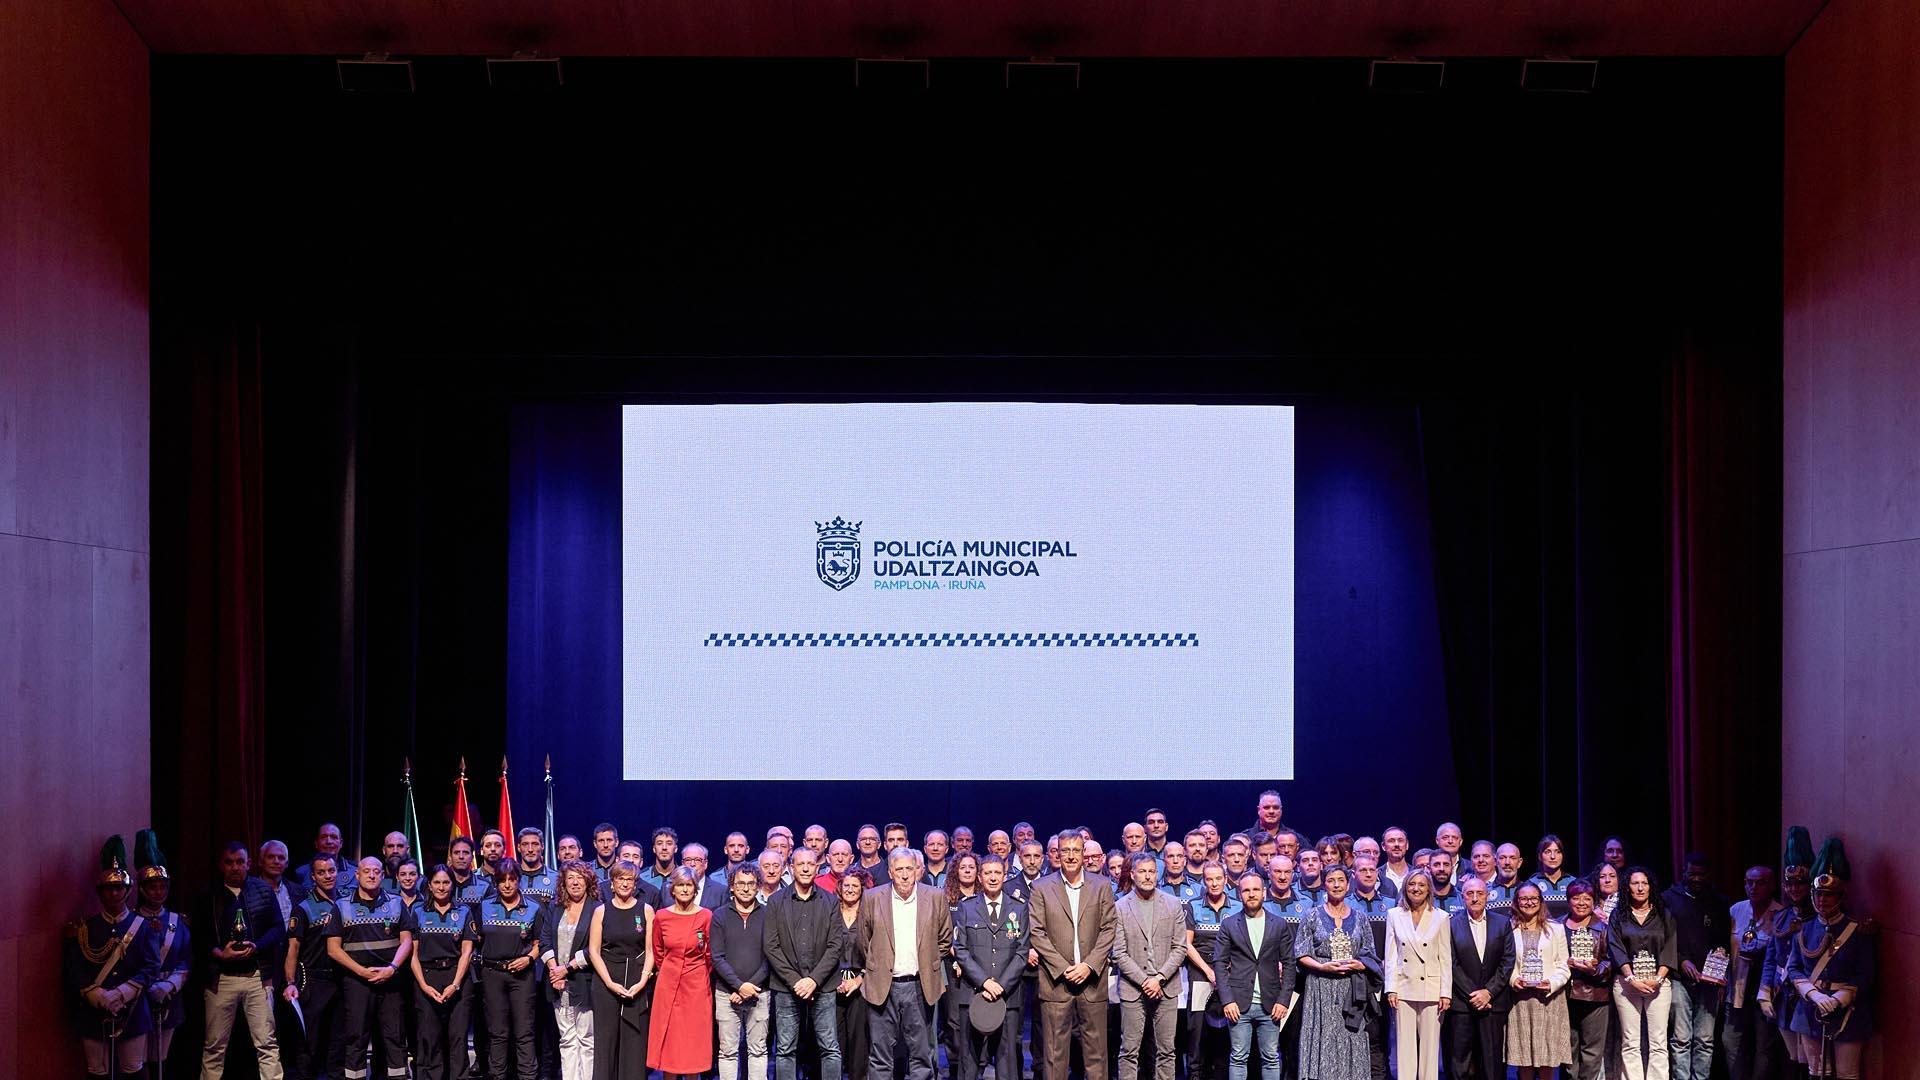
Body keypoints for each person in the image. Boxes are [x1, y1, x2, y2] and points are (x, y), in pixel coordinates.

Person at [1028, 831, 1118, 1080]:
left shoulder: (1101, 886)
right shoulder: (1041, 887)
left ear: (1083, 853)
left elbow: (1109, 928)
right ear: (1056, 853)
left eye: (1075, 850)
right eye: (1064, 850)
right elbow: (1037, 932)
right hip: (1056, 983)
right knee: (1055, 1057)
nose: (1070, 855)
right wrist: (1063, 968)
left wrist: (1089, 966)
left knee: (1097, 1056)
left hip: (1093, 982)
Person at [859, 846, 954, 1080]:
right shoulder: (872, 897)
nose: (904, 874)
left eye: (909, 869)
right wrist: (879, 965)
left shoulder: (934, 896)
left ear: (918, 871)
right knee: (880, 1054)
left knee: (921, 1054)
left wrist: (927, 960)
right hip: (883, 985)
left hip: (919, 986)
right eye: (898, 869)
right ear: (890, 872)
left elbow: (945, 938)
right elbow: (864, 941)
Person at [67, 835, 155, 1080]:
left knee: (133, 1070)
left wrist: (122, 992)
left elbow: (151, 967)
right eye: (109, 888)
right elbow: (75, 970)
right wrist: (97, 995)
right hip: (94, 1012)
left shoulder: (143, 927)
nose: (114, 893)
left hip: (134, 1010)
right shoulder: (85, 929)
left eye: (119, 888)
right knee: (97, 1073)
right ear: (100, 893)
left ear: (128, 891)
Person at [198, 840, 287, 1080]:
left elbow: (279, 929)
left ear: (248, 863)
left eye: (240, 862)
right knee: (214, 1046)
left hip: (256, 977)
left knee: (267, 1043)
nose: (235, 867)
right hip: (221, 979)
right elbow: (198, 937)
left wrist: (257, 947)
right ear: (221, 865)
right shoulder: (208, 894)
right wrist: (219, 953)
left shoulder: (262, 890)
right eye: (229, 862)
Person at [1784, 839, 1873, 1080]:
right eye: (1818, 894)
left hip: (1848, 1010)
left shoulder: (1856, 930)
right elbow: (1794, 969)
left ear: (1841, 897)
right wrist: (1815, 995)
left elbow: (1865, 973)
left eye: (1829, 895)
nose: (1822, 900)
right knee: (1817, 1072)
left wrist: (1840, 998)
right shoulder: (1804, 929)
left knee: (1847, 1073)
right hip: (1811, 1007)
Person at [328, 855, 415, 1080]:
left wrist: (393, 968)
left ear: (383, 875)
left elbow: (406, 941)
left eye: (376, 871)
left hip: (391, 979)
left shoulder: (396, 903)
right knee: (356, 1037)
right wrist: (361, 971)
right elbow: (333, 949)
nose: (372, 875)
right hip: (356, 981)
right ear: (357, 875)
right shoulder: (341, 905)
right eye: (366, 871)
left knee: (394, 1036)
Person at [766, 847, 847, 1080]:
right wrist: (796, 982)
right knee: (784, 1050)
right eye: (799, 864)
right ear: (791, 868)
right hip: (785, 987)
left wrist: (813, 980)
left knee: (830, 1048)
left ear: (817, 867)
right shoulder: (775, 901)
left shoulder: (831, 901)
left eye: (810, 864)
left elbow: (835, 945)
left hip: (822, 986)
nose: (804, 868)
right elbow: (771, 946)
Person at [1294, 865, 1378, 1080]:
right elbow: (1301, 953)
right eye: (1331, 880)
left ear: (1348, 885)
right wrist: (1322, 967)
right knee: (1324, 1037)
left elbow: (1371, 955)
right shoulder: (1311, 916)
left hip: (1351, 988)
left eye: (1341, 880)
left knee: (1352, 1035)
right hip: (1320, 986)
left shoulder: (1360, 918)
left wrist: (1361, 965)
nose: (1337, 885)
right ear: (1325, 885)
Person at [952, 853, 1029, 1080]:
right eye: (988, 873)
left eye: (997, 873)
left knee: (1006, 1060)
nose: (993, 878)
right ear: (980, 876)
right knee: (969, 1060)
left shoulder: (1019, 907)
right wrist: (984, 982)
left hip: (1008, 995)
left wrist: (1001, 985)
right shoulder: (967, 907)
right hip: (974, 992)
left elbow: (1022, 952)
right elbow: (961, 950)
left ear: (1005, 876)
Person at [1212, 871, 1294, 1080]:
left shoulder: (1279, 924)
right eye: (1246, 890)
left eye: (1255, 889)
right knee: (1238, 1057)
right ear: (1239, 894)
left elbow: (1289, 964)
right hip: (1238, 1004)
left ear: (1264, 893)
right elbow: (1219, 963)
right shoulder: (1229, 924)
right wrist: (1227, 1000)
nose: (1251, 894)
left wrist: (1284, 1000)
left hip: (1271, 1003)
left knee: (1271, 1057)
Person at [1114, 853, 1187, 1080]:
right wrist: (1146, 981)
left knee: (1167, 1050)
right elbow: (1118, 952)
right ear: (1133, 875)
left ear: (1158, 874)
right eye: (1143, 871)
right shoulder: (1120, 907)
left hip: (1166, 987)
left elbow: (1180, 948)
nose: (1148, 876)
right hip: (1133, 989)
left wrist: (1159, 978)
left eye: (1152, 871)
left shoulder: (1173, 904)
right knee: (1129, 1051)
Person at [474, 860, 544, 1080]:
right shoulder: (484, 906)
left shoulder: (533, 907)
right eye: (502, 880)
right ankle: (497, 1076)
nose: (506, 885)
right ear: (496, 882)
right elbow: (475, 940)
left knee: (524, 1032)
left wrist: (528, 959)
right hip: (492, 975)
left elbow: (540, 943)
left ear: (518, 880)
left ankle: (527, 1077)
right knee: (497, 1033)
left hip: (522, 976)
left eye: (511, 879)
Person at [1663, 853, 1728, 1080]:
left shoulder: (1719, 902)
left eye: (1701, 874)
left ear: (1708, 875)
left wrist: (1719, 963)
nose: (1697, 879)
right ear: (1684, 872)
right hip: (1679, 979)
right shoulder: (1669, 899)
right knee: (1681, 1038)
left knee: (1705, 1039)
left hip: (1709, 982)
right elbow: (1664, 938)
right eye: (1692, 874)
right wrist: (1681, 960)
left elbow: (1723, 941)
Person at [1758, 828, 1816, 1080]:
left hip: (1809, 997)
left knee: (1810, 1060)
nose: (1794, 888)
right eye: (1789, 883)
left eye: (1800, 883)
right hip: (1783, 995)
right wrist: (1764, 992)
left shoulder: (1818, 918)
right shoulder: (1781, 916)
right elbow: (1771, 958)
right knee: (1791, 1058)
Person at [589, 858, 655, 1080]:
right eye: (620, 879)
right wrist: (609, 983)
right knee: (606, 1042)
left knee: (634, 1042)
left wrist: (642, 981)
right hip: (607, 981)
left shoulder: (646, 910)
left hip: (636, 980)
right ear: (612, 883)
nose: (625, 884)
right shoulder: (601, 911)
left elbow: (650, 951)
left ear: (636, 883)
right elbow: (594, 951)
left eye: (630, 879)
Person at [1608, 867, 1677, 1080]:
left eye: (1644, 883)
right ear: (1627, 887)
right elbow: (1615, 947)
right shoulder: (1618, 915)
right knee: (1631, 1042)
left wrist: (1657, 979)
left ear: (1650, 886)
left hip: (1659, 984)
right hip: (1627, 983)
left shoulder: (1663, 914)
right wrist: (1632, 979)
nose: (1640, 888)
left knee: (1658, 1042)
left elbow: (1670, 948)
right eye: (1634, 883)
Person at [131, 830, 190, 1078]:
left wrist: (170, 986)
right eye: (152, 887)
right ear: (142, 889)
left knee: (161, 1058)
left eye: (162, 886)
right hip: (137, 997)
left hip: (169, 994)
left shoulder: (179, 921)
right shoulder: (132, 922)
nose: (158, 892)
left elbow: (186, 959)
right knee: (138, 1060)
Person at [410, 864, 478, 1080]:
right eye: (437, 882)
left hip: (457, 978)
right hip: (426, 978)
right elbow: (412, 953)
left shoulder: (464, 911)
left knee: (458, 1037)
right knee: (429, 1036)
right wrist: (423, 985)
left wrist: (455, 984)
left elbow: (467, 952)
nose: (441, 887)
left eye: (446, 882)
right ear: (429, 885)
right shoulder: (418, 911)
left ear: (452, 884)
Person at [650, 866, 716, 1078]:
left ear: (695, 889)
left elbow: (710, 954)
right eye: (680, 885)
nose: (685, 889)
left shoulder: (706, 916)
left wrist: (696, 973)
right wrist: (670, 970)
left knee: (692, 1041)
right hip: (668, 985)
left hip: (696, 986)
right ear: (672, 889)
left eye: (689, 885)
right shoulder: (661, 916)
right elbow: (658, 950)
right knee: (671, 1041)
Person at [1384, 870, 1450, 1080]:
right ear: (1405, 888)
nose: (1416, 888)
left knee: (1431, 1048)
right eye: (1412, 884)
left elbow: (1445, 957)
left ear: (1429, 888)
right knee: (1405, 1048)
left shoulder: (1441, 917)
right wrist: (1391, 988)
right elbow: (1391, 954)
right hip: (1403, 987)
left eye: (1421, 885)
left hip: (1431, 988)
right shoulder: (1394, 914)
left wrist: (1445, 992)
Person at [1445, 876, 1513, 1080]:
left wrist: (1488, 992)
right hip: (1462, 1005)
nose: (1475, 898)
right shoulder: (1450, 924)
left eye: (1480, 893)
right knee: (1460, 1062)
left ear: (1488, 896)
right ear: (1462, 897)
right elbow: (1451, 962)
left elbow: (1507, 960)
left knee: (1492, 1063)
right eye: (1469, 894)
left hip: (1493, 1004)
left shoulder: (1502, 923)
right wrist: (1474, 995)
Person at [283, 853, 344, 1080]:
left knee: (338, 1041)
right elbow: (293, 950)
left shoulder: (346, 902)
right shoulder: (303, 908)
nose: (327, 876)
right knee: (311, 1043)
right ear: (313, 876)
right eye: (321, 872)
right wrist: (290, 983)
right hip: (313, 982)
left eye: (331, 871)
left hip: (341, 981)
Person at [1504, 882, 1571, 1080]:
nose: (1529, 902)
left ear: (1541, 901)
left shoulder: (1555, 929)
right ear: (1516, 902)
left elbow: (1563, 965)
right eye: (1524, 898)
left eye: (1534, 898)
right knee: (1524, 1056)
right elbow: (1503, 962)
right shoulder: (1507, 928)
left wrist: (1551, 983)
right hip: (1520, 1001)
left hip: (1548, 1000)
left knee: (1547, 1057)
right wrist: (1514, 979)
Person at [713, 866, 773, 1080]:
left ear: (758, 887)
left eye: (750, 884)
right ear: (732, 886)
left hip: (760, 993)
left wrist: (749, 987)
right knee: (728, 1052)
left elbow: (771, 955)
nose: (745, 889)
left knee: (758, 1050)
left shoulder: (769, 914)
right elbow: (717, 957)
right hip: (726, 993)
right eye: (740, 883)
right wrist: (738, 986)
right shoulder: (719, 915)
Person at [1184, 860, 1242, 1080]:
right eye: (1209, 879)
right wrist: (1209, 971)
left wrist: (1226, 970)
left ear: (1226, 880)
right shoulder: (1193, 905)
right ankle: (1196, 1074)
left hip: (1231, 969)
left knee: (1231, 1026)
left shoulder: (1237, 905)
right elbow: (1187, 944)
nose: (1214, 883)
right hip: (1201, 969)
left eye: (1219, 878)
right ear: (1204, 881)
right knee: (1197, 1028)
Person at [1724, 865, 1782, 1080]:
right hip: (1737, 990)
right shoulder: (1735, 910)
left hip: (1765, 994)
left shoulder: (1781, 914)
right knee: (1731, 1044)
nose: (1753, 887)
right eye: (1749, 882)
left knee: (1763, 1048)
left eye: (1760, 882)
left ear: (1772, 885)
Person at [544, 861, 601, 1080]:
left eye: (580, 877)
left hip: (584, 981)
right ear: (563, 883)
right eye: (570, 878)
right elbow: (545, 939)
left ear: (588, 880)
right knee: (566, 1039)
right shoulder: (556, 907)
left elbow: (596, 947)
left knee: (587, 1039)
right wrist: (554, 971)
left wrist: (566, 969)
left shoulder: (597, 908)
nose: (575, 882)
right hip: (558, 984)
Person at [1560, 880, 1614, 1080]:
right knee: (1567, 1050)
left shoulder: (1604, 928)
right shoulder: (1556, 925)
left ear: (1594, 902)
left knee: (1591, 1052)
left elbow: (1611, 961)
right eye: (1576, 898)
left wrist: (1594, 970)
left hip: (1594, 995)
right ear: (1568, 900)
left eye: (1587, 898)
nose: (1581, 902)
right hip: (1563, 995)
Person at [833, 868, 874, 1080]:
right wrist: (835, 979)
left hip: (861, 982)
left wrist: (859, 979)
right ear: (839, 888)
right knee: (834, 1038)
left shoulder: (870, 914)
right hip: (833, 982)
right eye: (846, 885)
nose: (850, 890)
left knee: (859, 1038)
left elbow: (877, 950)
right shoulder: (831, 912)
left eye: (855, 886)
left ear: (862, 889)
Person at [291, 823, 345, 892]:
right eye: (323, 837)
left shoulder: (355, 871)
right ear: (316, 843)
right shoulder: (301, 873)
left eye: (334, 837)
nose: (329, 841)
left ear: (341, 843)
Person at [1527, 836, 1574, 900]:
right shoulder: (1531, 884)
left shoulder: (1573, 882)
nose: (1553, 856)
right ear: (1540, 856)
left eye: (1558, 852)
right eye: (1547, 852)